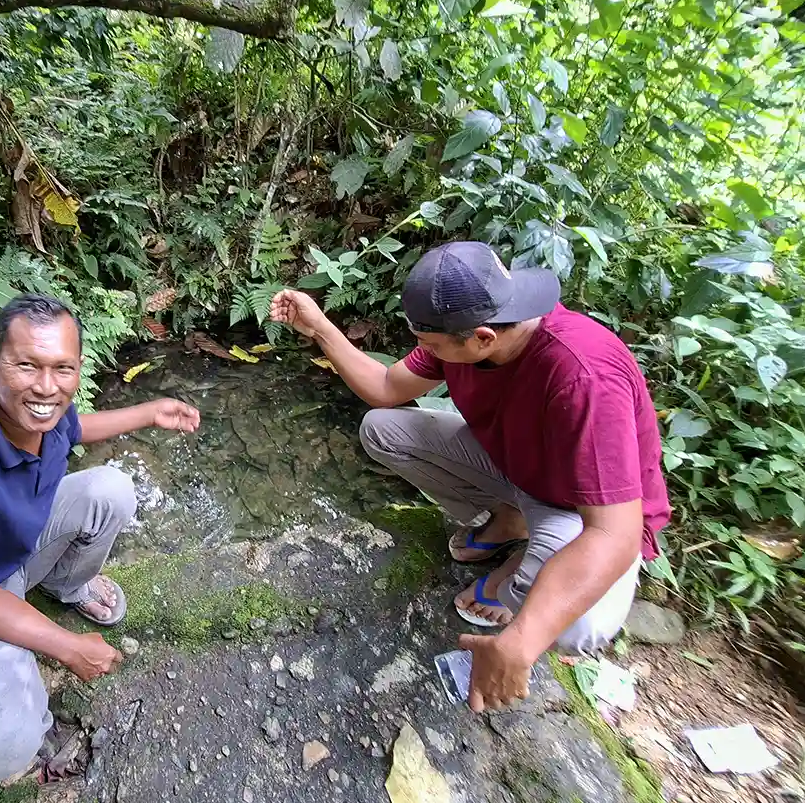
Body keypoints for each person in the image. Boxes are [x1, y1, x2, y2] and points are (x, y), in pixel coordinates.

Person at [270, 241, 669, 712]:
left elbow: (615, 533)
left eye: (431, 345)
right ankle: (512, 522)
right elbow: (386, 387)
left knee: (578, 625)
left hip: (579, 510)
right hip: (520, 468)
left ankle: (515, 574)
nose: (424, 351)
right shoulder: (472, 326)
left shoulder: (583, 376)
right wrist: (319, 327)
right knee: (382, 430)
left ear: (482, 338)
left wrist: (520, 642)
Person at [0, 293, 200, 784]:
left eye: (62, 368)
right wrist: (66, 647)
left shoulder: (42, 411)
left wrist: (149, 412)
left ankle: (64, 585)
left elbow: (74, 429)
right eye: (27, 365)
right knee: (2, 752)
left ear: (77, 370)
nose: (47, 386)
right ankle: (29, 741)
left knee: (110, 490)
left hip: (11, 551)